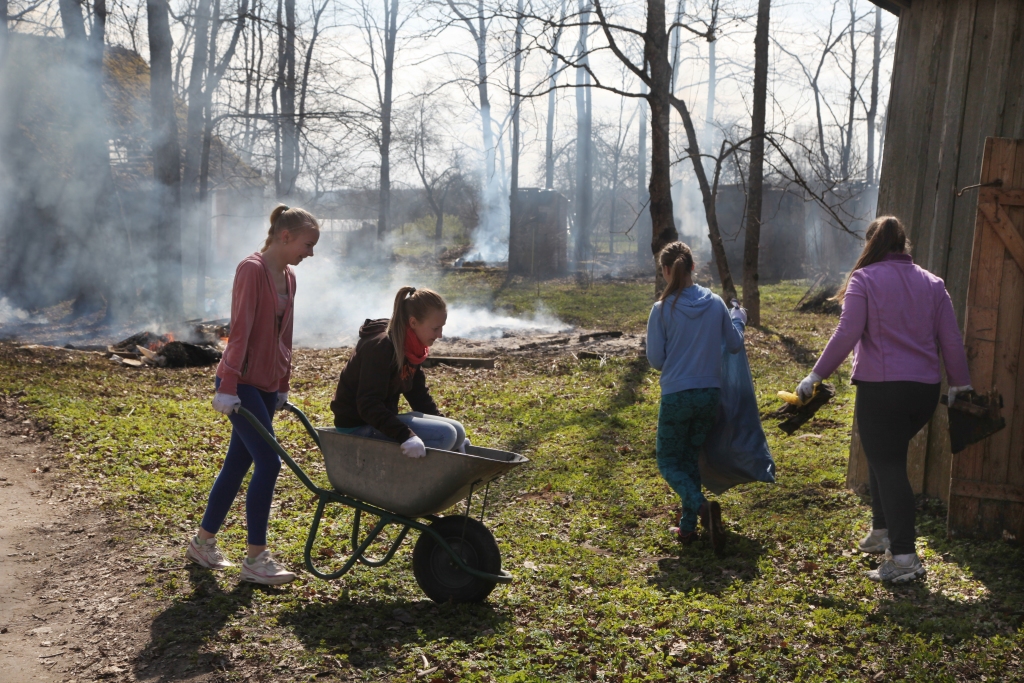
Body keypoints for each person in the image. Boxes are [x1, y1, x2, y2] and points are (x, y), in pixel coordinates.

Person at [794, 216, 971, 584]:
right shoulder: (933, 283)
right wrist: (959, 385)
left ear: (871, 245)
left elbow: (848, 332)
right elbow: (951, 340)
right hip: (923, 391)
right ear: (903, 245)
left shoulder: (865, 279)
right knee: (883, 456)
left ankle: (904, 556)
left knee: (888, 465)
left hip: (882, 390)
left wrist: (816, 375)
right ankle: (882, 532)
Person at [185, 205, 320, 585]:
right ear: (285, 236)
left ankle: (202, 542)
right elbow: (239, 332)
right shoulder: (252, 269)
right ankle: (256, 558)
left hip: (264, 384)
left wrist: (282, 383)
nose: (310, 253)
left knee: (238, 464)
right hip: (240, 382)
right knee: (270, 461)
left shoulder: (289, 277)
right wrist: (227, 386)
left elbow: (285, 337)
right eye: (308, 245)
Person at [646, 242, 747, 550]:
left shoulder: (662, 309)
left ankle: (702, 508)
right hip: (709, 394)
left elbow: (656, 360)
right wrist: (739, 318)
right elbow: (733, 344)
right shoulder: (716, 303)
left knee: (668, 462)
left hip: (677, 395)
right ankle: (688, 528)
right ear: (693, 267)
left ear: (666, 271)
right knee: (690, 458)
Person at [330, 286, 467, 456]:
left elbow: (419, 397)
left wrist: (457, 438)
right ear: (413, 323)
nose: (440, 335)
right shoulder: (381, 348)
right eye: (435, 328)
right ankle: (413, 478)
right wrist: (405, 436)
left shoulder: (412, 346)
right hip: (357, 425)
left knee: (457, 431)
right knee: (445, 435)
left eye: (442, 327)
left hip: (375, 421)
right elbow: (368, 405)